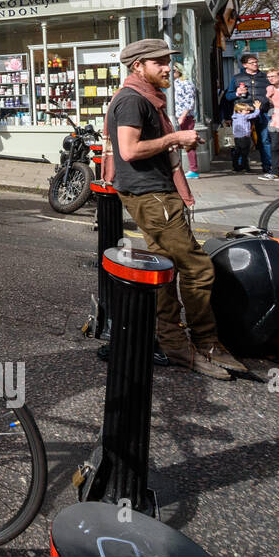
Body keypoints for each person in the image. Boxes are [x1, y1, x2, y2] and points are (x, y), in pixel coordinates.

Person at [104, 38, 245, 380]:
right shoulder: (132, 100)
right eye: (160, 62)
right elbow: (130, 150)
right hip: (151, 195)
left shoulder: (147, 97)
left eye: (168, 61)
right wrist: (174, 139)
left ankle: (174, 342)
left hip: (154, 193)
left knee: (165, 270)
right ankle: (203, 342)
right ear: (138, 66)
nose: (168, 67)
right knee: (197, 269)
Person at [223, 53, 273, 177]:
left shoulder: (265, 77)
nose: (255, 64)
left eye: (256, 62)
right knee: (241, 140)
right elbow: (228, 97)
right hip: (243, 114)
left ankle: (268, 167)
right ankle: (240, 166)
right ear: (245, 65)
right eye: (252, 62)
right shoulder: (237, 78)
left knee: (265, 140)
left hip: (262, 112)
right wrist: (237, 94)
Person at [173, 63, 200, 179]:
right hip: (176, 116)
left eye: (173, 71)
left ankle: (193, 169)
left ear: (179, 71)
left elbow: (190, 102)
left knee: (188, 143)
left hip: (185, 117)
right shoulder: (174, 83)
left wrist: (182, 117)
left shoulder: (187, 84)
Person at [230, 102, 257, 173]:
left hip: (237, 138)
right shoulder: (244, 116)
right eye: (246, 110)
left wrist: (246, 108)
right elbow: (255, 115)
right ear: (239, 111)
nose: (248, 111)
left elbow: (235, 109)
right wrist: (257, 108)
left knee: (237, 153)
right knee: (245, 154)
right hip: (245, 137)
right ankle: (246, 168)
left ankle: (236, 167)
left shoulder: (235, 116)